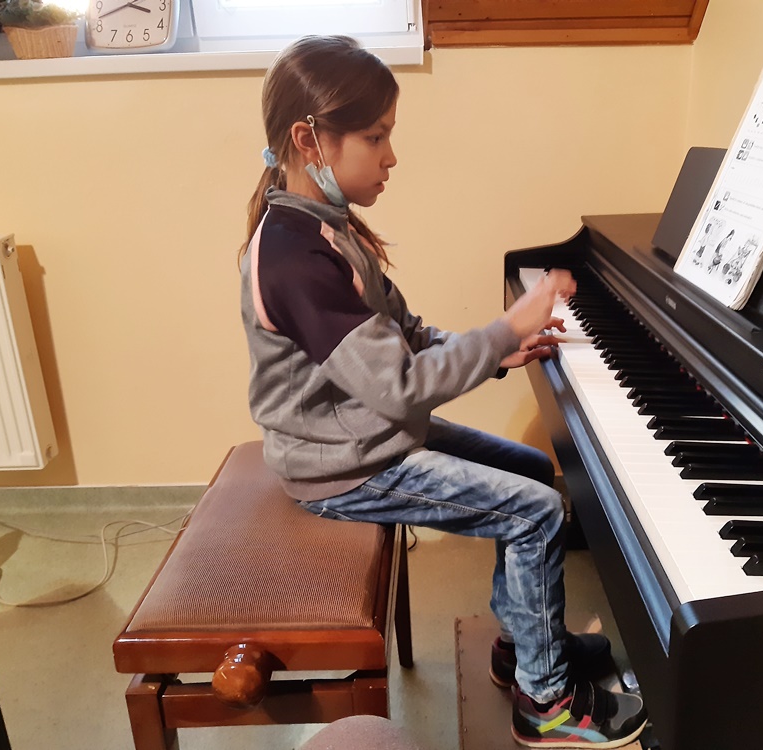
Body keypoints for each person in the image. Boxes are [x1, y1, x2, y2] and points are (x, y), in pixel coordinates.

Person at [238, 35, 648, 749]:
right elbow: (398, 387)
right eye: (376, 137)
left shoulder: (327, 229)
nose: (391, 156)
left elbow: (406, 337)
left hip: (366, 434)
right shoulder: (293, 257)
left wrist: (497, 351)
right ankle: (546, 703)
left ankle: (524, 648)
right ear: (310, 140)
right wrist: (501, 330)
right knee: (538, 514)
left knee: (530, 472)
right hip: (343, 466)